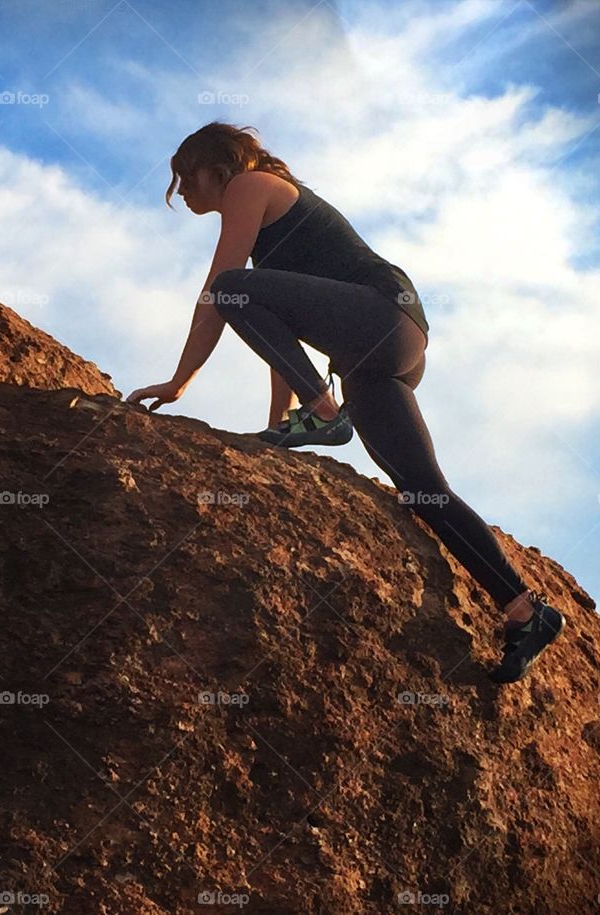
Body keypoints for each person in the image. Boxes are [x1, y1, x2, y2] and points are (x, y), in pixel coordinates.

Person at [125, 121, 564, 683]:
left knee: (234, 286)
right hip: (389, 349)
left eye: (185, 177)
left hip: (382, 316)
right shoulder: (266, 228)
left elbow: (220, 292)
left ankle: (326, 414)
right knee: (423, 487)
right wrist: (278, 424)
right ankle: (525, 610)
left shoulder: (249, 186)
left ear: (218, 168)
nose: (181, 191)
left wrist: (179, 380)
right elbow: (272, 331)